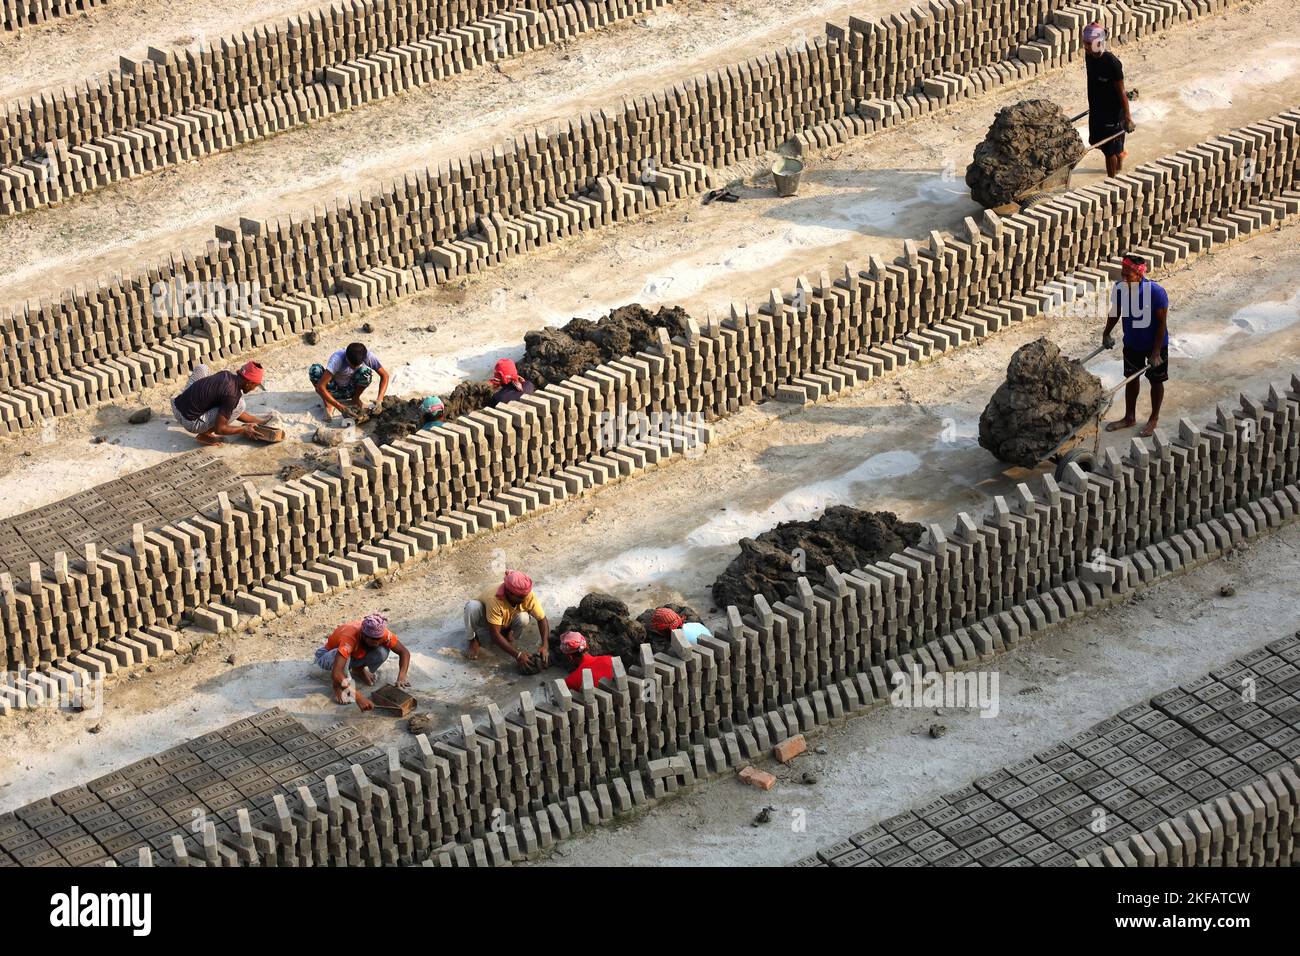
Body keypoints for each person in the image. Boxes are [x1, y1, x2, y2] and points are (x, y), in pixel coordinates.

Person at [1102, 254, 1169, 438]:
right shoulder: (1120, 289)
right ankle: (1129, 417)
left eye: (1127, 276)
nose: (1123, 279)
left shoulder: (1156, 292)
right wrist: (1106, 333)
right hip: (1132, 343)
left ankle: (1153, 419)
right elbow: (1114, 313)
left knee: (1156, 381)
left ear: (1139, 276)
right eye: (1122, 274)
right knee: (1131, 379)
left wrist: (1156, 353)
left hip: (1155, 344)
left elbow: (1161, 323)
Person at [313, 613, 411, 712]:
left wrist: (401, 677)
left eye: (378, 638)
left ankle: (358, 669)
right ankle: (337, 685)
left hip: (353, 654)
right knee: (341, 657)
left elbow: (404, 652)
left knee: (382, 651)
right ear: (363, 635)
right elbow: (337, 673)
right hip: (327, 655)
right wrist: (359, 697)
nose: (377, 641)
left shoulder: (381, 633)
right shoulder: (350, 637)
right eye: (373, 639)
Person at [170, 361, 274, 446]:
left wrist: (257, 421)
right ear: (249, 383)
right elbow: (220, 429)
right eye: (255, 386)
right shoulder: (232, 395)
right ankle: (204, 435)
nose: (254, 389)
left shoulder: (226, 374)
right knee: (240, 405)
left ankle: (257, 420)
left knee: (202, 368)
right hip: (190, 422)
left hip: (176, 405)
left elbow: (228, 407)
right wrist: (243, 430)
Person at [464, 570, 550, 670]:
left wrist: (545, 645)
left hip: (506, 618)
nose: (524, 599)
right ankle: (473, 640)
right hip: (486, 618)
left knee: (524, 618)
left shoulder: (527, 595)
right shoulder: (495, 598)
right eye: (520, 597)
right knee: (472, 607)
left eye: (525, 596)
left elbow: (542, 619)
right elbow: (494, 634)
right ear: (509, 593)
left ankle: (507, 632)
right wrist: (517, 655)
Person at [1082, 22, 1135, 177]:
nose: (1085, 47)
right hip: (1097, 109)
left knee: (1109, 151)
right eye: (1084, 44)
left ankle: (1111, 181)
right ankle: (1120, 155)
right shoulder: (1089, 56)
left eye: (1087, 44)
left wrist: (1128, 117)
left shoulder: (1113, 64)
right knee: (1099, 142)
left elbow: (1122, 93)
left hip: (1112, 112)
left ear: (1097, 43)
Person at [310, 342, 390, 418]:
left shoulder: (367, 356)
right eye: (351, 365)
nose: (354, 368)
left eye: (357, 365)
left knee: (366, 373)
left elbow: (385, 376)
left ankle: (355, 399)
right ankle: (328, 403)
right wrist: (340, 407)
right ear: (346, 357)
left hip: (351, 389)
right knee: (315, 370)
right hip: (333, 389)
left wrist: (380, 400)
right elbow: (321, 387)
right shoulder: (337, 358)